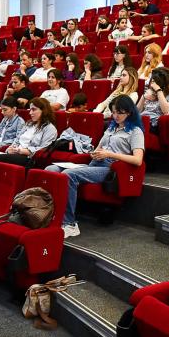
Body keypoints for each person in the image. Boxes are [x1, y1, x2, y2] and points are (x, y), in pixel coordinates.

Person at [49, 95, 145, 238]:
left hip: (111, 168)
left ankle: (69, 223)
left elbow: (138, 160)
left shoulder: (135, 131)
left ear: (129, 112)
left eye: (120, 112)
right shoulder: (111, 127)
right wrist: (94, 153)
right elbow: (98, 148)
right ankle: (51, 215)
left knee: (69, 174)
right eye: (113, 112)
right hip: (95, 163)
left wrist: (109, 155)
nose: (115, 116)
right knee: (51, 170)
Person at [0, 97, 58, 165]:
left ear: (43, 110)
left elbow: (43, 150)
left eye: (34, 110)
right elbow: (17, 139)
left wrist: (21, 151)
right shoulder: (28, 124)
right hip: (16, 153)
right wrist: (11, 147)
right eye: (30, 110)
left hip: (29, 158)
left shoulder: (50, 128)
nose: (30, 113)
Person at [138, 67, 169, 131]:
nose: (152, 84)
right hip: (141, 120)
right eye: (152, 80)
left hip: (154, 123)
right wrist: (143, 97)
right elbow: (137, 111)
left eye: (154, 81)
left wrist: (159, 91)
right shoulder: (149, 90)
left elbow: (166, 112)